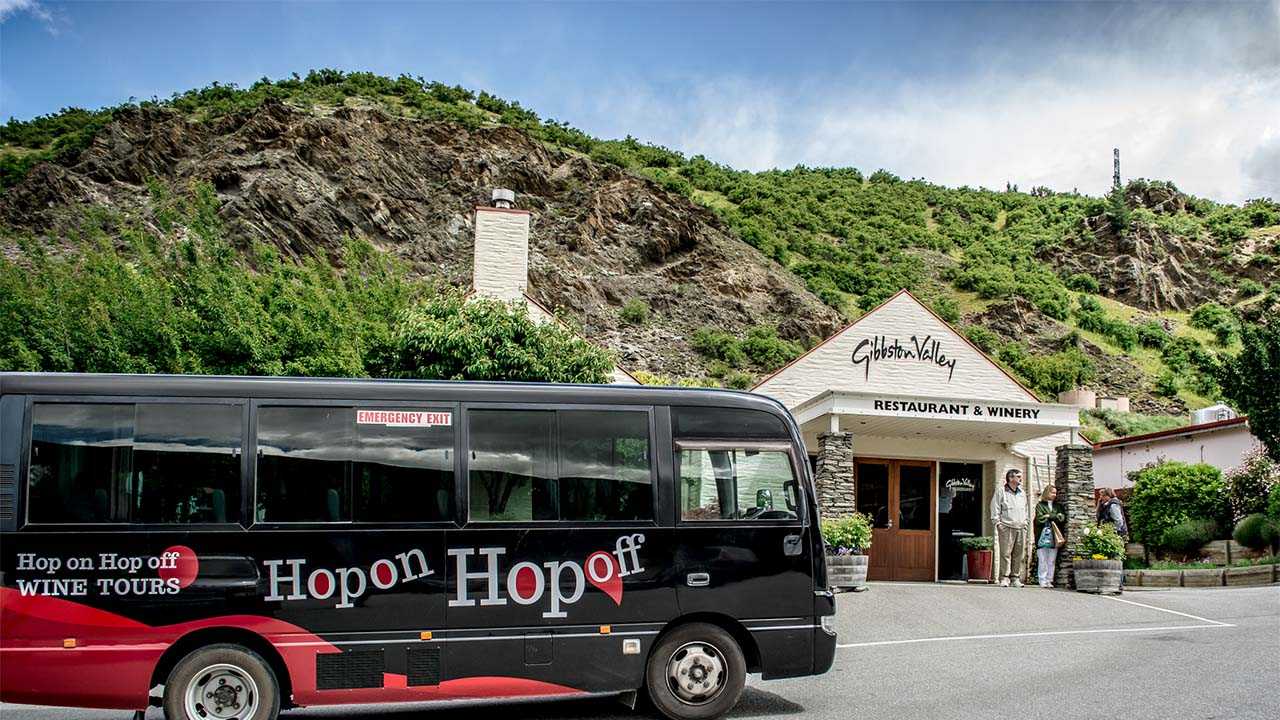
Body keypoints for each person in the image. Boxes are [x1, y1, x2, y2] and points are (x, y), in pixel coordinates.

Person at [989, 468, 1029, 587]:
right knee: (1005, 553)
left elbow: (1026, 509)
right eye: (1018, 476)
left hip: (1020, 527)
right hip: (1006, 526)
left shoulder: (1022, 493)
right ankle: (1004, 578)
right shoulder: (1001, 491)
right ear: (1011, 478)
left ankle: (1015, 578)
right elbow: (994, 507)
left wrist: (1025, 523)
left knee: (1018, 554)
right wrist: (998, 523)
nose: (1021, 478)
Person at [1034, 485, 1067, 588]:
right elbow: (1039, 519)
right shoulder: (1040, 505)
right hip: (1042, 535)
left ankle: (1049, 580)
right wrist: (1054, 516)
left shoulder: (1058, 506)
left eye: (1055, 493)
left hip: (1054, 536)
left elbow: (1062, 518)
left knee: (1051, 560)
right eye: (1052, 492)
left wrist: (1049, 516)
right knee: (1042, 559)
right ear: (1046, 493)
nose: (1054, 495)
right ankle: (1042, 580)